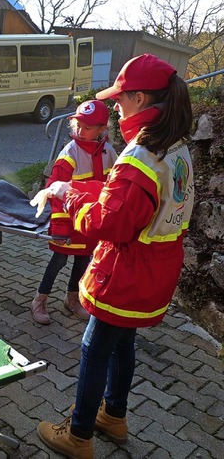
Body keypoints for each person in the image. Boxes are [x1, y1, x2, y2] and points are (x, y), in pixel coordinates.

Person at [34, 54, 195, 458]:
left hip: (125, 271)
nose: (114, 109)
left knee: (95, 349)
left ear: (140, 99)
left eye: (120, 101)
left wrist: (68, 196)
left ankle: (78, 434)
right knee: (124, 343)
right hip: (156, 268)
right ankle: (114, 415)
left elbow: (110, 224)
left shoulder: (140, 155)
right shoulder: (174, 149)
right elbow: (122, 201)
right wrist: (72, 190)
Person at [31, 100, 117, 325]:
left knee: (83, 260)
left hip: (90, 220)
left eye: (87, 127)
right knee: (58, 260)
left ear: (102, 129)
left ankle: (72, 300)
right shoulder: (70, 153)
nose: (80, 130)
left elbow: (113, 187)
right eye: (78, 124)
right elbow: (54, 191)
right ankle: (40, 300)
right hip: (70, 221)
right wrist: (60, 226)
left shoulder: (109, 152)